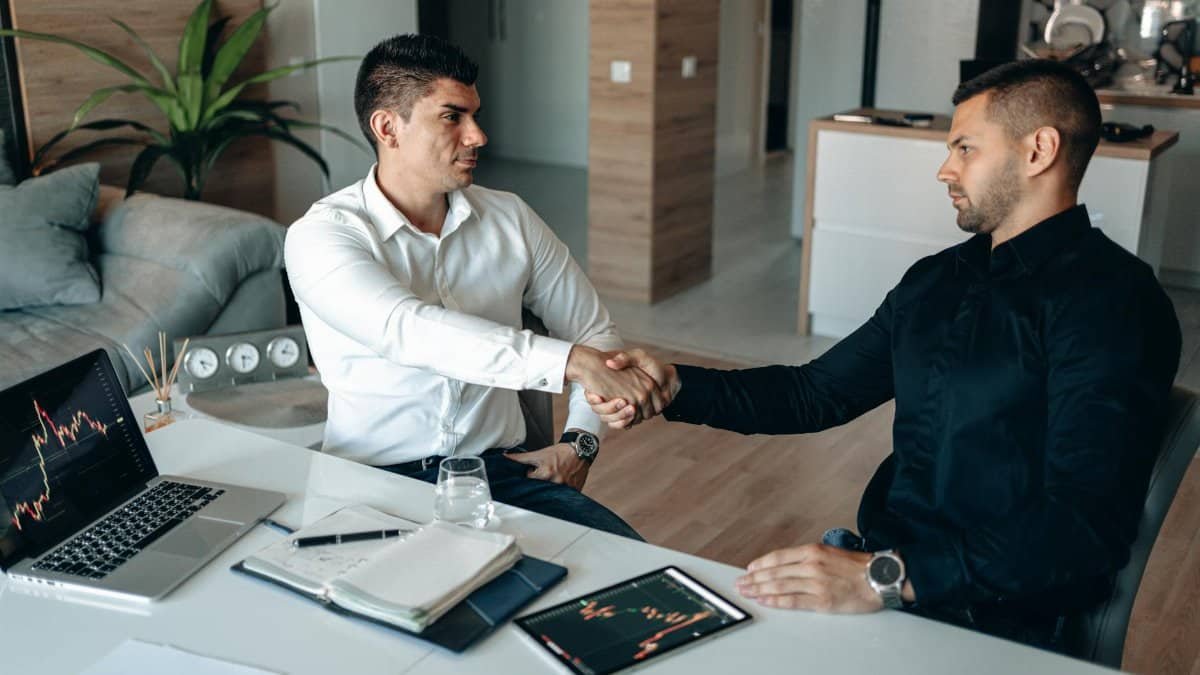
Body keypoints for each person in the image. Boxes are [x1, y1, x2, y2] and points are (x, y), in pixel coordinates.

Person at [588, 59, 1182, 647]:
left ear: (1038, 151)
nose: (945, 169)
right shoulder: (937, 281)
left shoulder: (1113, 304)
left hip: (997, 620)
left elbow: (1083, 528)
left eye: (966, 148)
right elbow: (813, 394)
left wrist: (883, 580)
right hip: (883, 577)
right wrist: (672, 387)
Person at [285, 34, 663, 539]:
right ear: (387, 127)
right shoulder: (321, 235)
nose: (478, 135)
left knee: (632, 572)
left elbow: (594, 330)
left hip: (500, 477)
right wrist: (570, 361)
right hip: (370, 483)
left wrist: (580, 444)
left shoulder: (510, 218)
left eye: (475, 115)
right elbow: (408, 330)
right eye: (452, 117)